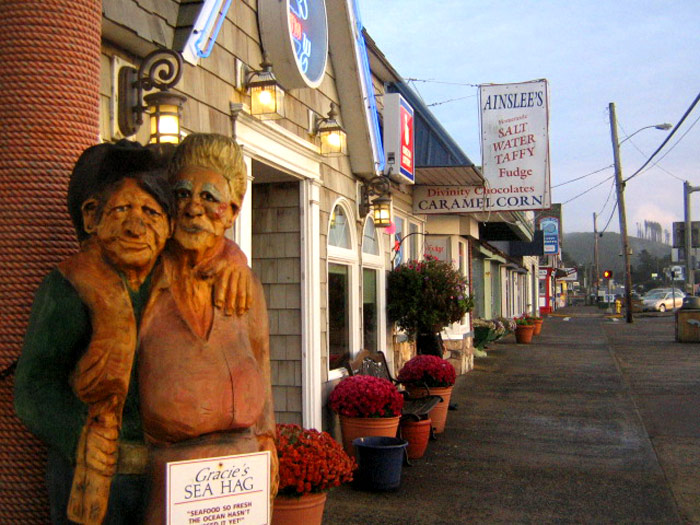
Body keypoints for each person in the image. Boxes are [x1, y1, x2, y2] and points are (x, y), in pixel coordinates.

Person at [14, 141, 174, 524]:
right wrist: (78, 434)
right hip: (95, 477)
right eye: (122, 210)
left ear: (169, 227)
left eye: (151, 212)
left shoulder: (177, 285)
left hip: (169, 473)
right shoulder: (68, 287)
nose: (137, 226)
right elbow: (34, 385)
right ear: (91, 217)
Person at [137, 134, 278, 523]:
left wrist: (267, 437)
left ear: (232, 212)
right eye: (182, 194)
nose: (193, 208)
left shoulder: (243, 279)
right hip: (168, 465)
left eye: (209, 198)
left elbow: (261, 359)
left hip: (241, 469)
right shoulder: (145, 273)